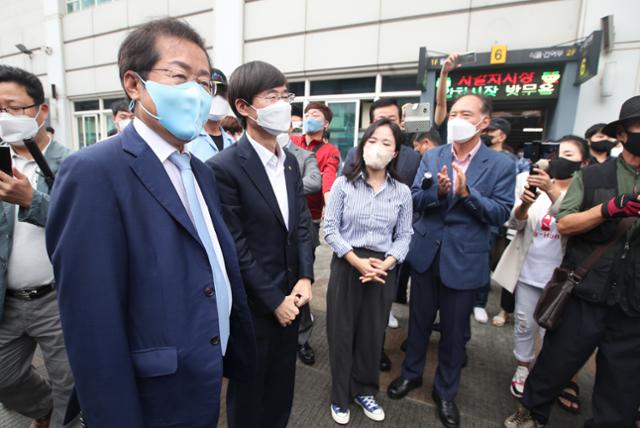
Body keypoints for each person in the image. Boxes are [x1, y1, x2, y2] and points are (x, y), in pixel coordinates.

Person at [46, 18, 255, 427]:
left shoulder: (200, 169)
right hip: (151, 394)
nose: (195, 93)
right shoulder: (93, 172)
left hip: (205, 372)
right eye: (179, 77)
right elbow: (91, 322)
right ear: (134, 84)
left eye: (204, 83)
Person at [504, 95, 640, 428]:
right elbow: (565, 223)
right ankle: (531, 411)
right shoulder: (593, 177)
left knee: (622, 385)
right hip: (585, 291)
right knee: (556, 362)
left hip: (632, 301)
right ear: (622, 133)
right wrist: (608, 210)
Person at [388, 94, 515, 428]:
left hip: (465, 258)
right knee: (417, 322)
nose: (457, 118)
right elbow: (415, 198)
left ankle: (445, 392)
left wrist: (467, 196)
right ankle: (411, 374)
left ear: (484, 122)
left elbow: (501, 212)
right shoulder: (432, 155)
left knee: (455, 333)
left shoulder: (501, 165)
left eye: (466, 114)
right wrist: (440, 194)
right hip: (427, 254)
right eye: (454, 113)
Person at [207, 60, 314, 428]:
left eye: (286, 95)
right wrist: (273, 300)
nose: (283, 104)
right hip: (255, 307)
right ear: (243, 107)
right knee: (250, 396)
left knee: (281, 391)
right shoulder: (225, 167)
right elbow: (235, 244)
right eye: (272, 96)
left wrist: (306, 278)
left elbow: (301, 223)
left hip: (292, 297)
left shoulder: (289, 163)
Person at [324, 118, 413, 424]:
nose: (378, 148)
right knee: (341, 332)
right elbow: (330, 229)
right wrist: (356, 260)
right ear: (362, 146)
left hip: (383, 269)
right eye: (372, 141)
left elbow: (404, 235)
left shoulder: (401, 192)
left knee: (372, 335)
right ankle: (339, 396)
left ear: (396, 152)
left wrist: (387, 263)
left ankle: (365, 390)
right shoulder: (343, 184)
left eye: (386, 143)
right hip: (348, 264)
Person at [0, 65, 75, 428]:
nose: (4, 117)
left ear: (41, 111)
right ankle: (42, 409)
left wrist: (33, 200)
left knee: (69, 383)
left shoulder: (74, 163)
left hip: (56, 297)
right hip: (8, 299)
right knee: (5, 375)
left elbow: (82, 225)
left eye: (12, 108)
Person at [492, 136, 589, 402]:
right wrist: (525, 203)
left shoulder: (586, 193)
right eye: (556, 153)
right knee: (524, 325)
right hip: (528, 272)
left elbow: (572, 223)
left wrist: (552, 191)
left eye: (567, 154)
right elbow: (515, 223)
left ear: (583, 162)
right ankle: (522, 367)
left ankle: (548, 376)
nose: (559, 159)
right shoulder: (529, 183)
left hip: (563, 279)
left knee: (553, 331)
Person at [344, 97, 421, 370]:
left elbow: (412, 212)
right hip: (352, 252)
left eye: (390, 119)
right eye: (377, 121)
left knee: (378, 312)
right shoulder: (356, 155)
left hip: (388, 252)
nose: (383, 128)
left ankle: (375, 352)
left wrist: (390, 259)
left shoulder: (413, 157)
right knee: (348, 315)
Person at [290, 102, 340, 365]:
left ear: (326, 124)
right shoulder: (291, 141)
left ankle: (302, 338)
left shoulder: (330, 151)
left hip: (310, 219)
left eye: (316, 116)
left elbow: (326, 181)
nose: (309, 119)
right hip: (281, 217)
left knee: (303, 275)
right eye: (307, 114)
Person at [187, 68, 235, 161]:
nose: (218, 98)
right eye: (212, 91)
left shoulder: (232, 143)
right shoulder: (188, 141)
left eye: (222, 93)